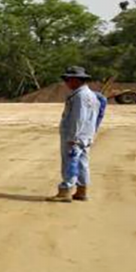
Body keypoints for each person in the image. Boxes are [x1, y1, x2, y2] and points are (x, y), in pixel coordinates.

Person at [48, 66, 101, 203]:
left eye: (68, 80)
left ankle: (65, 191)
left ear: (76, 80)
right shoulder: (92, 95)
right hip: (86, 135)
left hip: (76, 136)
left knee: (70, 162)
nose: (67, 83)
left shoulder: (80, 96)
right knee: (82, 163)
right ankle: (81, 191)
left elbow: (79, 118)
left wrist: (73, 137)